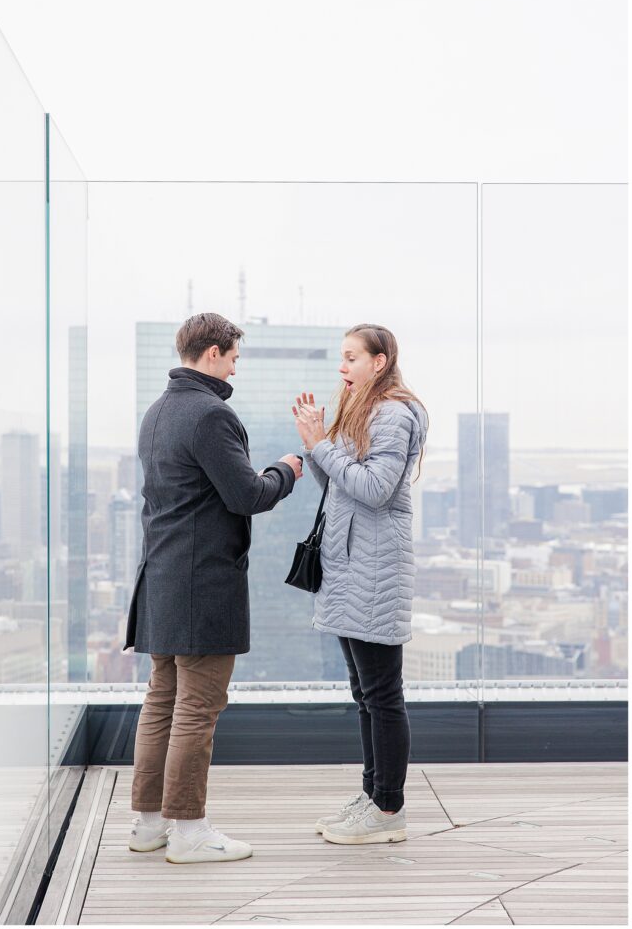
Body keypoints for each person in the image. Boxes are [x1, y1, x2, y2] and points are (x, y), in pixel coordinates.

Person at [123, 312, 302, 864]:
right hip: (202, 581)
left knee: (162, 701)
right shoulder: (209, 414)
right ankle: (189, 830)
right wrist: (287, 469)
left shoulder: (157, 412)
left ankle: (149, 825)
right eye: (233, 358)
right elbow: (246, 494)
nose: (235, 369)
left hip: (162, 576)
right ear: (212, 354)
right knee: (197, 705)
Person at [292, 323, 428, 845]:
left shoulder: (393, 413)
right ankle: (373, 795)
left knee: (381, 693)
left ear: (380, 360)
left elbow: (374, 489)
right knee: (365, 693)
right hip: (350, 566)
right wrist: (319, 441)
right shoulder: (365, 410)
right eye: (341, 359)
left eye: (351, 358)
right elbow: (337, 487)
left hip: (374, 570)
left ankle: (389, 809)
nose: (342, 367)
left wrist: (322, 446)